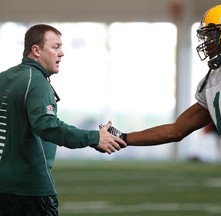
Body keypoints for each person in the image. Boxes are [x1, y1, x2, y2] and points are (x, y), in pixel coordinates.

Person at [107, 4, 221, 215]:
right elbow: (176, 130)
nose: (206, 40)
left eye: (212, 33)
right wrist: (123, 137)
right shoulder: (212, 80)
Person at [0, 24, 126, 216]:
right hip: (31, 190)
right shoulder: (37, 82)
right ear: (36, 50)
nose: (62, 53)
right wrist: (94, 138)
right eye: (56, 47)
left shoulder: (4, 78)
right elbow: (48, 126)